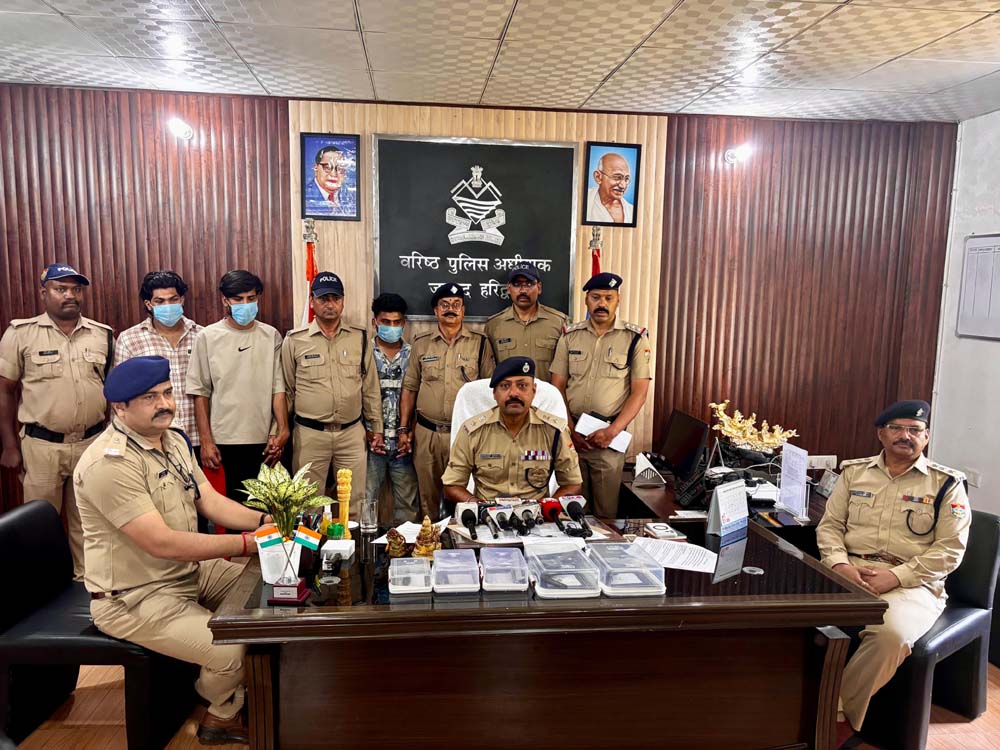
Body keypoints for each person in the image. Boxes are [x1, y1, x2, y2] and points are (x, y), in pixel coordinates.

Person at [75, 356, 275, 746]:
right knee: (231, 652)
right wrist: (248, 543)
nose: (165, 404)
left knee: (271, 588)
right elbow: (162, 543)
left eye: (167, 393)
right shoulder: (109, 463)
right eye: (150, 398)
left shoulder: (173, 438)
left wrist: (265, 520)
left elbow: (209, 501)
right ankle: (220, 713)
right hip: (134, 595)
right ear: (120, 407)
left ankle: (242, 689)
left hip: (187, 574)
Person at [816, 400, 970, 745]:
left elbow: (950, 550)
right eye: (897, 428)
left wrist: (896, 576)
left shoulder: (946, 484)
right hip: (849, 569)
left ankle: (835, 717)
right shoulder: (854, 473)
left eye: (915, 430)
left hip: (913, 582)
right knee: (791, 615)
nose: (905, 436)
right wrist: (839, 564)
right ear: (881, 434)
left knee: (891, 636)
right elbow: (830, 527)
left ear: (926, 437)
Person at [0, 263, 113, 579]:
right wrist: (9, 445)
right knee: (39, 524)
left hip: (91, 444)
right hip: (42, 447)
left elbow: (112, 391)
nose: (70, 295)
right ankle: (42, 589)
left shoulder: (102, 334)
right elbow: (5, 391)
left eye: (76, 289)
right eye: (60, 289)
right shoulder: (20, 334)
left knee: (90, 523)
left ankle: (89, 588)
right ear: (44, 293)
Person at [550, 272, 652, 518]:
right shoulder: (569, 336)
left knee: (606, 514)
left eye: (608, 298)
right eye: (596, 297)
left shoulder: (634, 339)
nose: (602, 304)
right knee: (571, 511)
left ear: (618, 300)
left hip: (608, 439)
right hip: (572, 437)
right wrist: (570, 429)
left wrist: (612, 432)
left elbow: (639, 392)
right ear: (587, 300)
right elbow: (557, 386)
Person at [281, 272, 382, 512]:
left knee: (354, 502)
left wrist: (376, 427)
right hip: (310, 435)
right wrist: (279, 431)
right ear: (312, 301)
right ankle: (310, 540)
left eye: (335, 298)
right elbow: (286, 391)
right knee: (307, 504)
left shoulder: (359, 338)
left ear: (343, 301)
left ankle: (351, 538)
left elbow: (369, 387)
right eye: (323, 299)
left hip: (351, 434)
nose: (330, 304)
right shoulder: (295, 341)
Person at [186, 270, 289, 503]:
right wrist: (206, 441)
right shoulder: (207, 336)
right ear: (225, 300)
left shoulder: (271, 335)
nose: (245, 304)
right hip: (223, 442)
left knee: (264, 512)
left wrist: (281, 430)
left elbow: (278, 387)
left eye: (251, 298)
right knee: (229, 513)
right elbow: (200, 392)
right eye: (238, 299)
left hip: (264, 442)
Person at [399, 284, 495, 520]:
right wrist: (403, 428)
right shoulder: (422, 343)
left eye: (456, 304)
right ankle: (431, 538)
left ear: (463, 310)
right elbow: (410, 388)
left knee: (464, 496)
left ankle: (462, 539)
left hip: (465, 434)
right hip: (427, 433)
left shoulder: (480, 343)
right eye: (444, 304)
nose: (450, 309)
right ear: (436, 310)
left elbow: (489, 391)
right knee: (427, 498)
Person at [443, 357, 581, 503]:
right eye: (505, 386)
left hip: (537, 513)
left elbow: (572, 484)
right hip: (486, 512)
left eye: (522, 386)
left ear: (533, 391)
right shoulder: (472, 431)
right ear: (494, 393)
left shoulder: (555, 431)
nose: (514, 393)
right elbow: (452, 484)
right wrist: (478, 506)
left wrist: (548, 507)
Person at [114, 271, 203, 457]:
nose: (168, 306)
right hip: (153, 441)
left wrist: (208, 440)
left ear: (182, 300)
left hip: (198, 439)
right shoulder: (130, 339)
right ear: (149, 304)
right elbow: (121, 395)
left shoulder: (202, 335)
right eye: (160, 301)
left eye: (173, 299)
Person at [365, 292, 419, 523]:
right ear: (374, 322)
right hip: (370, 444)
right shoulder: (364, 353)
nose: (392, 327)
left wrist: (411, 432)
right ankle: (364, 545)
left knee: (408, 505)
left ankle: (404, 544)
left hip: (404, 445)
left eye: (397, 322)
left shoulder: (414, 354)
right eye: (386, 322)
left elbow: (420, 397)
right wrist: (366, 432)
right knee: (364, 501)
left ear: (404, 323)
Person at [484, 262, 567, 382]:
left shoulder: (558, 322)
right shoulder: (494, 325)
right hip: (509, 393)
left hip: (544, 393)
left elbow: (563, 370)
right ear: (508, 289)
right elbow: (488, 370)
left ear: (539, 287)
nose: (523, 290)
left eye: (529, 284)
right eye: (517, 284)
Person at [304, 145, 356, 218]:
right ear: (316, 168)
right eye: (327, 168)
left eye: (340, 169)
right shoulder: (305, 196)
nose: (333, 174)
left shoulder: (351, 197)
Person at [585, 153, 634, 224]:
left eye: (626, 179)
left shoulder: (631, 211)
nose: (623, 186)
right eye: (617, 177)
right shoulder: (586, 199)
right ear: (598, 177)